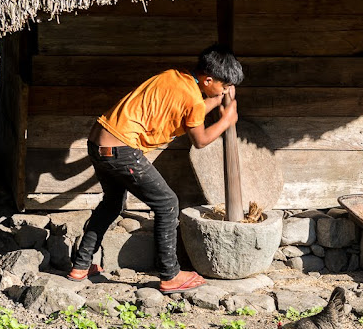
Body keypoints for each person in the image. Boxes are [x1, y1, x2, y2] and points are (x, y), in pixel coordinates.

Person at [67, 44, 243, 294]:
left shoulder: (173, 77)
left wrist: (216, 99)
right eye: (223, 86)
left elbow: (189, 110)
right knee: (167, 203)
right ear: (208, 79)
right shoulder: (192, 99)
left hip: (98, 142)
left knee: (111, 203)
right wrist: (227, 120)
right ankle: (170, 274)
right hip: (121, 149)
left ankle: (80, 265)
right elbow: (200, 139)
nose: (226, 90)